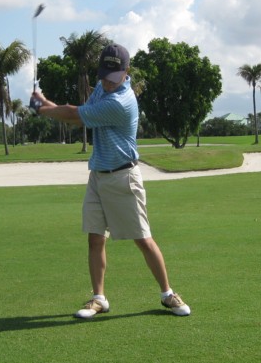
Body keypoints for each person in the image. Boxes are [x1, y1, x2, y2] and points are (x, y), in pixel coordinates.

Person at [30, 43, 191, 319]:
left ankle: (168, 294)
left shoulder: (121, 102)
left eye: (113, 76)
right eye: (105, 74)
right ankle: (99, 298)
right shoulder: (101, 88)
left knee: (143, 239)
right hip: (98, 176)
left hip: (123, 177)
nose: (107, 81)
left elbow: (76, 116)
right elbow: (77, 109)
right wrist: (45, 102)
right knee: (95, 239)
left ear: (126, 72)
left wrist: (42, 109)